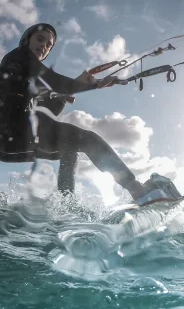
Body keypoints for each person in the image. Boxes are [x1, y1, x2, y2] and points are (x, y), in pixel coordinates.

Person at [0, 23, 153, 201]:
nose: (44, 46)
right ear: (26, 40)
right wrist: (94, 84)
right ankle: (138, 191)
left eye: (49, 45)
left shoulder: (31, 79)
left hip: (13, 142)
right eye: (40, 40)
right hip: (8, 133)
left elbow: (50, 113)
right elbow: (55, 81)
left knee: (69, 146)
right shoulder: (19, 56)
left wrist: (66, 95)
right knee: (88, 139)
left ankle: (67, 204)